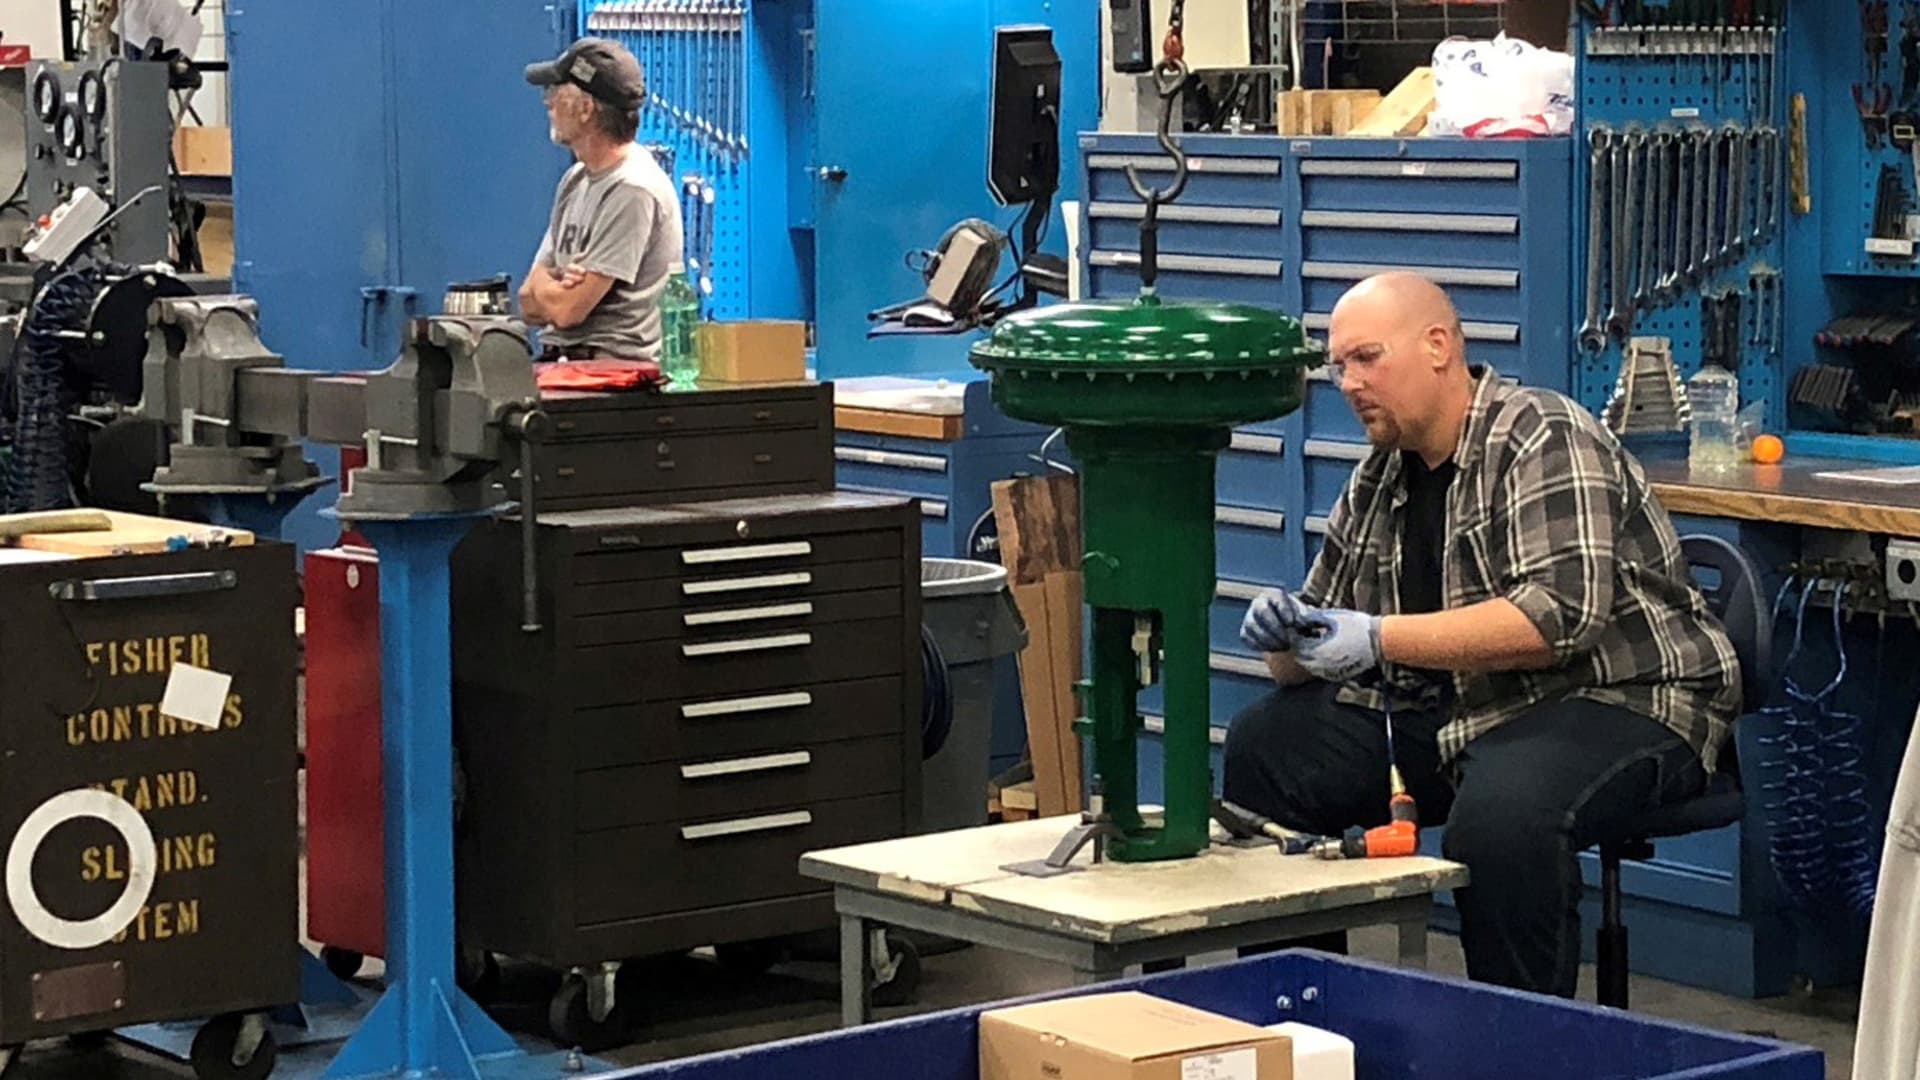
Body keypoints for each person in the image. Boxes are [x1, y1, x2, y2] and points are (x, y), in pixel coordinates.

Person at [1223, 271, 1741, 999]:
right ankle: (1304, 1020)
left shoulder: (1542, 435)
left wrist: (1379, 638)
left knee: (1501, 819)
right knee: (1267, 747)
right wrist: (1287, 636)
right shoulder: (1381, 475)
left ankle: (1517, 1043)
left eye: (1367, 358)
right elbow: (1308, 654)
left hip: (1620, 697)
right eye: (1338, 366)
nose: (1348, 383)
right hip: (1470, 709)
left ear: (1439, 347)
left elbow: (1558, 618)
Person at [519, 37, 684, 363]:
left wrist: (546, 286)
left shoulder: (633, 189)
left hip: (611, 372)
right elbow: (526, 301)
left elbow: (568, 311)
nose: (548, 103)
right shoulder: (575, 180)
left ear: (585, 109)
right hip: (561, 364)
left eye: (556, 92)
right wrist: (548, 285)